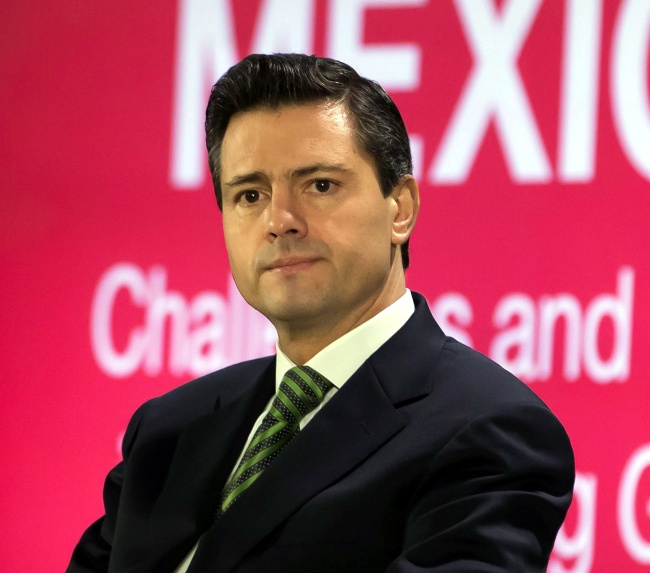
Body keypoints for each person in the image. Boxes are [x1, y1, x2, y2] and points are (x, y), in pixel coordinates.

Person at [67, 53, 574, 573]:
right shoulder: (166, 430)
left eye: (320, 185)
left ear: (400, 209)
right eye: (250, 195)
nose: (279, 221)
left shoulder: (489, 430)